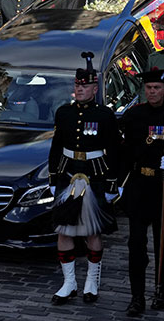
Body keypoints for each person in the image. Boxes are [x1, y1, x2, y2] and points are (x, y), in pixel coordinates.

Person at [119, 68, 164, 316]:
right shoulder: (133, 116)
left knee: (163, 244)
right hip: (139, 185)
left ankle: (162, 289)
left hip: (163, 187)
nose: (152, 92)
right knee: (136, 244)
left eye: (157, 88)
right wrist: (117, 183)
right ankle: (136, 295)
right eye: (149, 88)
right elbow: (124, 151)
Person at [48, 52, 119, 305]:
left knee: (92, 231)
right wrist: (53, 174)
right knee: (64, 230)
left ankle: (91, 280)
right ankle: (69, 283)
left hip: (96, 174)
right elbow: (56, 145)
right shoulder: (64, 112)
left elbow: (115, 149)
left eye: (84, 85)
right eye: (77, 85)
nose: (79, 89)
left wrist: (113, 182)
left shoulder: (105, 115)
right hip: (68, 173)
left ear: (94, 87)